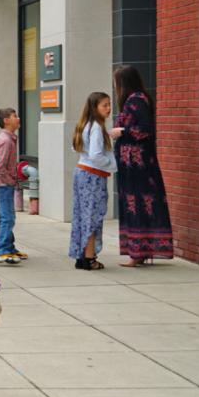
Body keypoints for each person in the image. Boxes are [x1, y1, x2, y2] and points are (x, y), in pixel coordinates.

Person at [112, 66, 173, 266]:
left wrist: (122, 131)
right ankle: (138, 252)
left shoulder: (136, 100)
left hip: (137, 167)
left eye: (117, 82)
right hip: (132, 166)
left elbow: (145, 129)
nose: (116, 86)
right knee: (135, 204)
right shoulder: (135, 99)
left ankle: (138, 253)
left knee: (137, 204)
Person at [69, 92, 116, 270]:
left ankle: (82, 256)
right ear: (95, 107)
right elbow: (95, 155)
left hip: (81, 171)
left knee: (82, 215)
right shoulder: (96, 126)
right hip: (93, 175)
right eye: (104, 105)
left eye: (109, 104)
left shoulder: (85, 124)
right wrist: (110, 163)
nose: (108, 108)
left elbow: (75, 147)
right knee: (93, 215)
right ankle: (89, 258)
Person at [0, 108, 26, 264]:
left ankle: (9, 247)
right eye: (14, 116)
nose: (18, 118)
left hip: (5, 183)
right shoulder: (6, 141)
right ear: (6, 120)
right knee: (7, 218)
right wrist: (9, 180)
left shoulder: (9, 138)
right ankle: (1, 250)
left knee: (7, 217)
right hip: (3, 184)